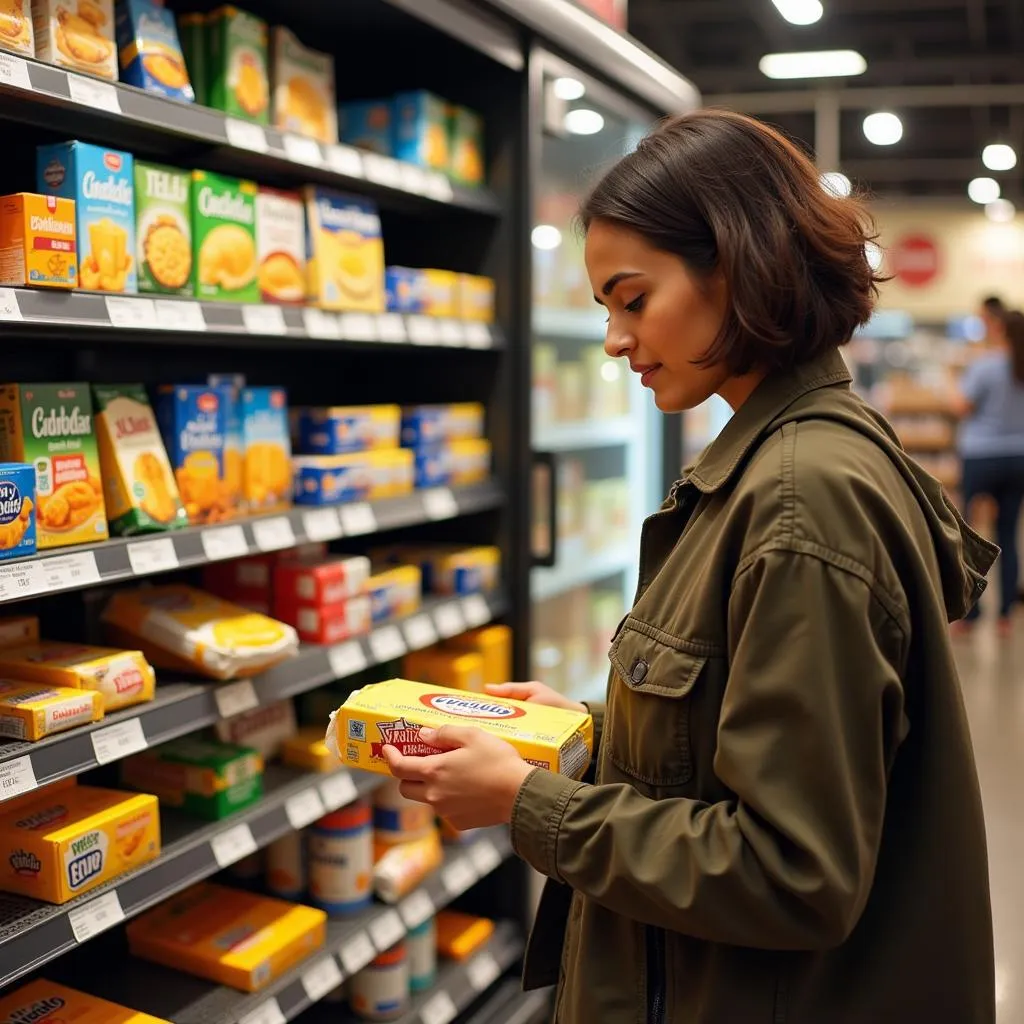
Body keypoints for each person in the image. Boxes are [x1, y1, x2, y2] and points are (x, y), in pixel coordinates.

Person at [383, 111, 997, 1022]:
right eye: (605, 309)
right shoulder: (788, 461)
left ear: (740, 265)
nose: (615, 340)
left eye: (634, 300)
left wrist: (529, 806)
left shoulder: (799, 498)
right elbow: (730, 735)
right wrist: (593, 736)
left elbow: (791, 873)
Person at [953, 309, 1024, 633]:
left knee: (970, 536)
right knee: (1008, 535)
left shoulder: (986, 366)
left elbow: (962, 406)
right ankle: (1006, 614)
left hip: (981, 456)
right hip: (1018, 457)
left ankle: (971, 614)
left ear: (1000, 332)